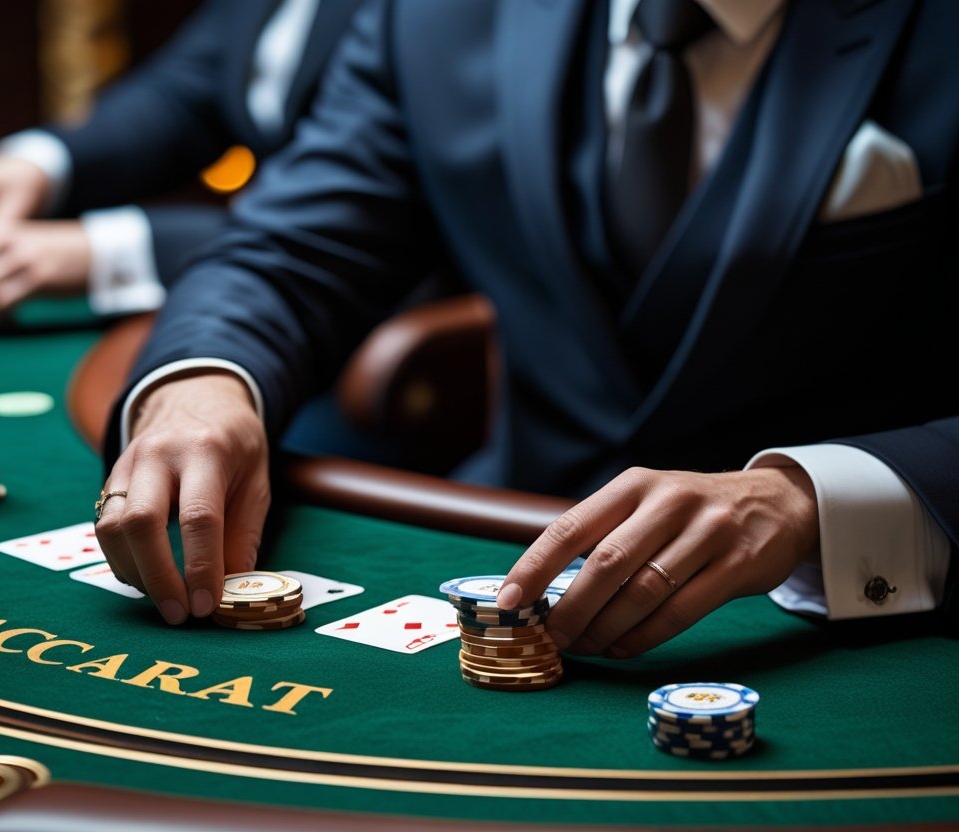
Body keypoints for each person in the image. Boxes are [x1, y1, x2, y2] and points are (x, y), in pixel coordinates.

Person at [92, 0, 958, 662]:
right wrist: (200, 384)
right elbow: (293, 249)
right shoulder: (440, 15)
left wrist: (813, 499)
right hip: (510, 550)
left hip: (860, 631)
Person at [0, 0, 366, 328]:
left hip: (355, 341)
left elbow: (377, 211)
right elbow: (186, 90)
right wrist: (38, 164)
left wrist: (113, 251)